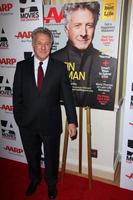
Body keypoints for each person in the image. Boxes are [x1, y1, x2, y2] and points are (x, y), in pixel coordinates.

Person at [13, 27, 77, 199]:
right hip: (27, 124)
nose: (43, 47)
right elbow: (16, 96)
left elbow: (68, 96)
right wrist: (20, 119)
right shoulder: (21, 67)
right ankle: (34, 180)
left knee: (51, 157)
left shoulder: (60, 68)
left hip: (50, 123)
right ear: (33, 44)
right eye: (39, 43)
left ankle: (51, 184)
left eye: (47, 43)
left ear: (51, 45)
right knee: (31, 155)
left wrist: (72, 121)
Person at [52, 2, 117, 110]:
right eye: (77, 25)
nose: (84, 33)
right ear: (66, 30)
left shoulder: (112, 64)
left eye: (89, 25)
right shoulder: (52, 60)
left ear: (95, 28)